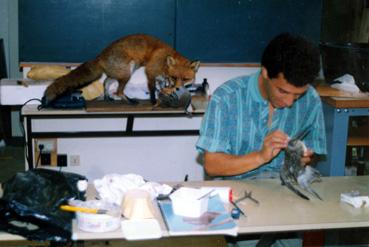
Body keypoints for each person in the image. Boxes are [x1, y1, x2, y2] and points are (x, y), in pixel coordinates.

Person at [196, 33, 327, 246]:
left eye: (297, 95)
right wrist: (260, 156)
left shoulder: (311, 99)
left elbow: (312, 156)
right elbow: (212, 165)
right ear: (265, 72)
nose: (289, 102)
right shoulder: (227, 98)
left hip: (285, 199)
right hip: (235, 200)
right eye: (283, 91)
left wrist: (302, 160)